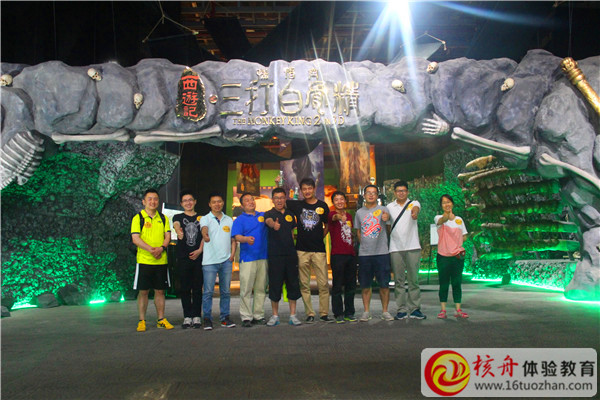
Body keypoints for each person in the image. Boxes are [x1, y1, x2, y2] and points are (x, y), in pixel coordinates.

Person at [286, 177, 332, 323]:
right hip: (301, 250)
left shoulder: (322, 206)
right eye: (304, 189)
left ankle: (324, 313)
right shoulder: (298, 205)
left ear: (314, 189)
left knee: (323, 284)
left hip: (319, 250)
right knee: (304, 284)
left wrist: (320, 237)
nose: (307, 191)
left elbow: (327, 225)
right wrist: (277, 183)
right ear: (301, 190)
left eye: (309, 188)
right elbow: (281, 201)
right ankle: (309, 313)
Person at [131, 188, 174, 331]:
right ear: (143, 201)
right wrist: (151, 250)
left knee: (160, 291)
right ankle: (141, 320)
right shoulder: (138, 218)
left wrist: (161, 248)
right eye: (149, 199)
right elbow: (135, 238)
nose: (153, 201)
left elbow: (167, 236)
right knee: (143, 291)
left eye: (155, 199)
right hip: (144, 261)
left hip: (161, 261)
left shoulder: (163, 218)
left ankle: (161, 319)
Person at [354, 185, 393, 322]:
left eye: (374, 193)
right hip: (365, 254)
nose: (371, 195)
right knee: (365, 285)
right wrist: (364, 245)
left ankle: (385, 311)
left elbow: (389, 230)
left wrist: (387, 220)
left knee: (384, 284)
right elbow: (358, 231)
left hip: (382, 252)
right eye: (368, 193)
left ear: (377, 195)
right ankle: (366, 311)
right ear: (364, 195)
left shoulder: (384, 210)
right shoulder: (359, 213)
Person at [388, 180, 426, 320]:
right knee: (398, 280)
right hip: (395, 248)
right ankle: (401, 309)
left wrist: (414, 213)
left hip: (413, 246)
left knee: (413, 280)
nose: (401, 193)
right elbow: (387, 225)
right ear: (395, 192)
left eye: (404, 190)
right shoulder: (389, 207)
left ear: (407, 192)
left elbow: (416, 208)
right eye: (399, 191)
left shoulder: (413, 203)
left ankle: (415, 308)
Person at [264, 187, 302, 326]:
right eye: (276, 198)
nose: (279, 200)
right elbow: (268, 221)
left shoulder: (290, 214)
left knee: (292, 284)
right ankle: (275, 316)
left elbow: (292, 232)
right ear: (272, 200)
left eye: (281, 198)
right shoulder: (269, 213)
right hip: (275, 255)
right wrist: (273, 225)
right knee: (275, 284)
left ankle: (293, 315)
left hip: (290, 255)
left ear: (285, 199)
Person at [200, 192, 237, 330]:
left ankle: (225, 318)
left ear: (223, 203)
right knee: (208, 292)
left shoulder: (229, 220)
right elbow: (204, 229)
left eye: (219, 201)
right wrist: (205, 235)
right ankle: (207, 318)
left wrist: (232, 255)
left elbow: (233, 240)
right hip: (209, 261)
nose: (217, 204)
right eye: (214, 202)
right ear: (210, 204)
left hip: (226, 261)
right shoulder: (205, 218)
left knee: (225, 291)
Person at [232, 193, 268, 328]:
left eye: (252, 199)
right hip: (248, 258)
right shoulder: (239, 220)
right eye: (247, 201)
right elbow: (236, 236)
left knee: (261, 288)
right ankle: (246, 316)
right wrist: (246, 239)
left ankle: (258, 315)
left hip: (263, 257)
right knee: (246, 289)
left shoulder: (263, 216)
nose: (251, 202)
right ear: (242, 205)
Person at [434, 194, 469, 319]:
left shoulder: (459, 220)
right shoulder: (438, 218)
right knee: (443, 283)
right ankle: (443, 310)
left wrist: (456, 243)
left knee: (457, 283)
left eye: (448, 202)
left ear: (452, 204)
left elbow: (464, 235)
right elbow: (442, 220)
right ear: (441, 205)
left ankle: (458, 309)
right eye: (444, 203)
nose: (446, 204)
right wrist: (447, 215)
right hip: (443, 256)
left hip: (457, 257)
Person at [172, 190, 204, 329]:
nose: (188, 203)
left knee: (197, 287)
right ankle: (187, 316)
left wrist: (200, 250)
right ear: (181, 203)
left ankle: (196, 315)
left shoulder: (202, 218)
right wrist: (178, 231)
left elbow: (204, 234)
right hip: (183, 257)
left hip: (199, 257)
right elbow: (176, 224)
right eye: (185, 201)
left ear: (195, 201)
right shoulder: (178, 216)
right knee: (185, 288)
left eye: (190, 200)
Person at [328, 191, 358, 323]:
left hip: (350, 254)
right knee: (337, 285)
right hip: (337, 255)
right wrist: (340, 217)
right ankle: (338, 313)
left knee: (351, 285)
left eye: (341, 199)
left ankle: (349, 312)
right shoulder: (331, 214)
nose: (339, 202)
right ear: (333, 202)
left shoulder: (350, 216)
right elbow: (335, 218)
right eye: (336, 200)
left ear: (345, 201)